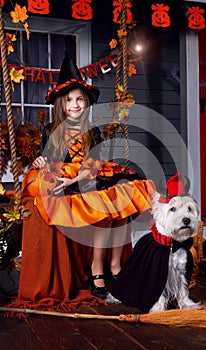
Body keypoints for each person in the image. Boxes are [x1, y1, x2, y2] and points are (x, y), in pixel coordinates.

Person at [6, 52, 156, 314]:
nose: (74, 104)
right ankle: (97, 269)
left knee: (122, 191)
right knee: (101, 199)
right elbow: (48, 160)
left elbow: (95, 163)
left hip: (87, 175)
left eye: (79, 99)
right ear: (61, 104)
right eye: (69, 100)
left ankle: (113, 266)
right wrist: (42, 162)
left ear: (86, 102)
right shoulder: (51, 129)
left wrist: (80, 176)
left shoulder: (92, 130)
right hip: (62, 179)